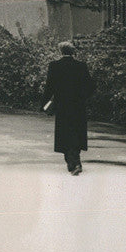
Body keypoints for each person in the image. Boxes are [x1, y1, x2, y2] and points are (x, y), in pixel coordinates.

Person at [43, 41, 95, 175]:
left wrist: (45, 103)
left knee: (65, 133)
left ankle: (73, 163)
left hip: (62, 105)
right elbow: (90, 86)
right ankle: (75, 161)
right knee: (77, 132)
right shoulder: (81, 66)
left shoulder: (54, 66)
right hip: (78, 105)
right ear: (73, 52)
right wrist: (83, 98)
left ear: (61, 51)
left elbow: (49, 87)